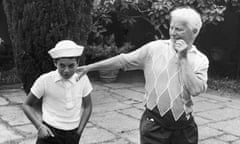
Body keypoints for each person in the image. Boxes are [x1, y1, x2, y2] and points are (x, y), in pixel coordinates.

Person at [77, 6, 209, 144]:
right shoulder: (154, 49)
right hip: (154, 125)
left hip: (184, 129)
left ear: (194, 32)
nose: (173, 33)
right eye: (171, 28)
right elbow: (123, 60)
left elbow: (195, 89)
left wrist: (183, 58)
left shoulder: (200, 59)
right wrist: (89, 67)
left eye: (179, 29)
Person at [22, 40, 93, 144]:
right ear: (55, 63)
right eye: (62, 65)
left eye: (71, 66)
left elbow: (88, 106)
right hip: (49, 133)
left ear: (77, 63)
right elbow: (26, 105)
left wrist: (79, 132)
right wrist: (39, 126)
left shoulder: (83, 78)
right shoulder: (45, 80)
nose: (66, 70)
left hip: (73, 134)